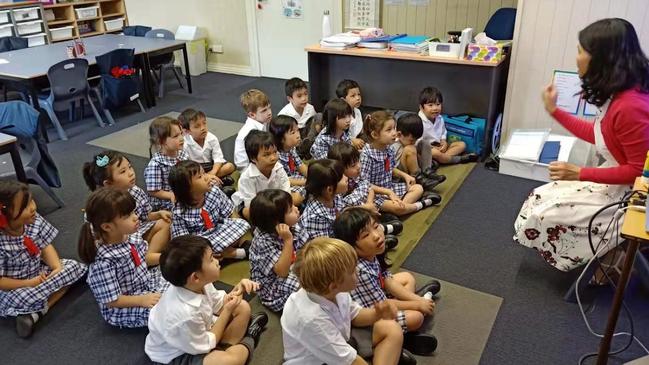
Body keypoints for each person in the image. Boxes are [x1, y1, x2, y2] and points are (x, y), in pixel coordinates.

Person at [514, 18, 649, 272]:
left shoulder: (630, 106)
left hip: (635, 195)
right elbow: (602, 136)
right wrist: (554, 111)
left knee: (548, 213)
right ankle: (610, 255)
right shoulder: (619, 94)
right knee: (539, 197)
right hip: (620, 182)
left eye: (580, 51)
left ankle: (615, 258)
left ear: (601, 59)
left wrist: (580, 173)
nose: (576, 58)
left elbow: (639, 170)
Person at [281, 236, 409, 365]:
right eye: (353, 270)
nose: (358, 270)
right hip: (318, 361)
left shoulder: (332, 292)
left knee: (392, 328)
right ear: (334, 285)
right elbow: (350, 361)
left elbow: (354, 314)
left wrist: (377, 314)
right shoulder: (311, 319)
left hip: (340, 341)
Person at [145, 235, 268, 365]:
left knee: (242, 307)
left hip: (199, 335)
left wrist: (239, 288)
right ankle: (250, 336)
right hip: (177, 354)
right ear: (196, 277)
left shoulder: (198, 284)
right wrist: (227, 312)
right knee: (231, 361)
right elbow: (208, 342)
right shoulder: (184, 315)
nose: (217, 261)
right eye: (211, 259)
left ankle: (225, 347)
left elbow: (220, 303)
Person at [334, 207, 439, 356]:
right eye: (366, 235)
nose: (377, 236)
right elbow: (383, 307)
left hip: (379, 301)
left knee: (407, 278)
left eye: (376, 227)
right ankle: (394, 342)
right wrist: (417, 304)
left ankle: (402, 330)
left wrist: (416, 300)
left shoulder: (370, 254)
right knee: (417, 317)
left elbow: (386, 280)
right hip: (368, 320)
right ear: (351, 247)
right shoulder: (360, 271)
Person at [0, 181, 86, 338]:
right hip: (14, 288)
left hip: (40, 274)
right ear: (5, 217)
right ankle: (38, 306)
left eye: (32, 200)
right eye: (25, 206)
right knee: (22, 298)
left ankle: (35, 313)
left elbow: (46, 245)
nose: (33, 207)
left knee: (74, 266)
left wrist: (56, 267)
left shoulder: (34, 220)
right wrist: (28, 283)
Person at [80, 187, 169, 328]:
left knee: (180, 281)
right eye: (127, 216)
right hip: (125, 304)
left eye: (133, 211)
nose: (136, 217)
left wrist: (167, 258)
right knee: (165, 313)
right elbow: (112, 300)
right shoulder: (103, 262)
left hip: (145, 283)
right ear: (107, 227)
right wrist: (141, 300)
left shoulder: (130, 237)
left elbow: (141, 259)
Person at [83, 150, 171, 266]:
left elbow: (145, 216)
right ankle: (145, 258)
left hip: (137, 231)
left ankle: (148, 255)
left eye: (130, 167)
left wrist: (159, 214)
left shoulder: (135, 191)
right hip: (117, 242)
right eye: (123, 171)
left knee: (165, 222)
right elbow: (98, 239)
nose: (130, 173)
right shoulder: (101, 206)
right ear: (108, 183)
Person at [361, 110, 441, 216]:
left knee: (418, 188)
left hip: (390, 187)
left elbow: (390, 168)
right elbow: (364, 184)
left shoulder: (388, 149)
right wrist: (387, 192)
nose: (394, 133)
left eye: (394, 128)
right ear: (375, 135)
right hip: (374, 195)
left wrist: (405, 176)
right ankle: (423, 204)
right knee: (397, 206)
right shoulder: (367, 155)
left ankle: (398, 210)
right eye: (389, 130)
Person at [169, 161, 250, 260]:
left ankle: (222, 254)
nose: (207, 177)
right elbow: (182, 241)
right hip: (200, 241)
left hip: (218, 230)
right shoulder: (179, 211)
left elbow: (230, 212)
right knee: (193, 253)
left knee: (241, 223)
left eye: (204, 173)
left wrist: (239, 230)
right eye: (200, 177)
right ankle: (233, 253)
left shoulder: (214, 191)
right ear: (186, 188)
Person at [249, 189, 306, 311]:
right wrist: (288, 241)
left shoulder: (292, 225)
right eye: (291, 210)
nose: (296, 209)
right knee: (307, 286)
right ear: (277, 222)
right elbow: (282, 272)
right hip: (272, 285)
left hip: (293, 266)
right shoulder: (263, 241)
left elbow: (307, 246)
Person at [232, 130, 300, 219]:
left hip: (276, 201)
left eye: (275, 152)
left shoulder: (278, 168)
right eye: (266, 155)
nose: (273, 158)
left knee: (297, 198)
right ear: (253, 158)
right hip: (257, 206)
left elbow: (286, 194)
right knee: (248, 212)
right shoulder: (247, 178)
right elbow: (253, 207)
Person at [418, 87, 478, 165]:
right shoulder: (418, 121)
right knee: (435, 153)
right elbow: (418, 142)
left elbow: (443, 132)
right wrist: (431, 147)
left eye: (438, 104)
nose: (435, 108)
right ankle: (458, 159)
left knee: (462, 145)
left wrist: (444, 141)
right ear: (421, 107)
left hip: (440, 147)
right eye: (430, 105)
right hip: (428, 150)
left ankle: (440, 160)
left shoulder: (440, 118)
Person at [178, 108, 236, 189]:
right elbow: (186, 166)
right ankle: (217, 181)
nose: (203, 128)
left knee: (230, 166)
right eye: (197, 126)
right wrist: (201, 174)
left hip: (211, 166)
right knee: (187, 178)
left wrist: (213, 172)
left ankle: (209, 179)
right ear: (187, 131)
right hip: (196, 169)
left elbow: (218, 158)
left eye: (204, 123)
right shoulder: (185, 144)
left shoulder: (212, 138)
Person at [144, 116, 189, 211]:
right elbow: (153, 191)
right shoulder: (156, 164)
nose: (181, 138)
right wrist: (171, 195)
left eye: (181, 133)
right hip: (166, 201)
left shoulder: (182, 153)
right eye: (176, 136)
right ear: (161, 141)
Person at [392, 112, 446, 191]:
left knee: (424, 143)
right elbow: (392, 169)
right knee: (410, 149)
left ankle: (427, 171)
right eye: (411, 140)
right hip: (400, 174)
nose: (413, 142)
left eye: (415, 139)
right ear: (399, 135)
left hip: (412, 166)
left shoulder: (408, 140)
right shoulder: (393, 146)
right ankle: (419, 178)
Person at [298, 159, 348, 243]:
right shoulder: (316, 217)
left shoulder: (335, 195)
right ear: (329, 189)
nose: (346, 178)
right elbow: (324, 249)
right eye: (341, 177)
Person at [269, 115, 308, 199]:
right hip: (283, 185)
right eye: (293, 133)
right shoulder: (275, 157)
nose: (298, 135)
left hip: (294, 176)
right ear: (281, 139)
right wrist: (305, 182)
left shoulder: (291, 148)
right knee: (297, 197)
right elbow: (284, 180)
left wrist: (312, 176)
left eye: (297, 130)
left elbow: (300, 165)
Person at [234, 89, 273, 170]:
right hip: (250, 169)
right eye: (264, 110)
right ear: (252, 115)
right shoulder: (247, 132)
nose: (269, 112)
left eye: (269, 108)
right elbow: (242, 163)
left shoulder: (263, 122)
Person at [336, 79, 366, 148]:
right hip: (342, 144)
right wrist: (352, 140)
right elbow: (338, 135)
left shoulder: (358, 111)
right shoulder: (340, 115)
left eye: (359, 94)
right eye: (353, 96)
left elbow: (360, 131)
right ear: (343, 100)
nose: (358, 98)